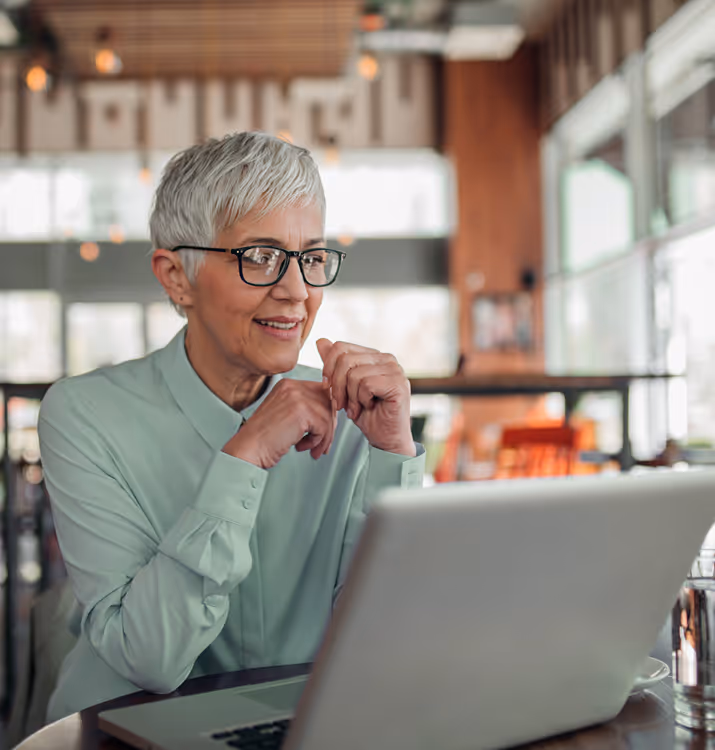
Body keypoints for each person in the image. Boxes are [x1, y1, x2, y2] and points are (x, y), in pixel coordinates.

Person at [38, 132, 424, 721]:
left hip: (303, 727)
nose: (297, 291)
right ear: (176, 278)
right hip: (122, 732)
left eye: (311, 258)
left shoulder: (353, 414)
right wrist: (242, 458)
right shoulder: (83, 417)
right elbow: (152, 659)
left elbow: (390, 640)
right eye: (260, 257)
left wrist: (393, 456)